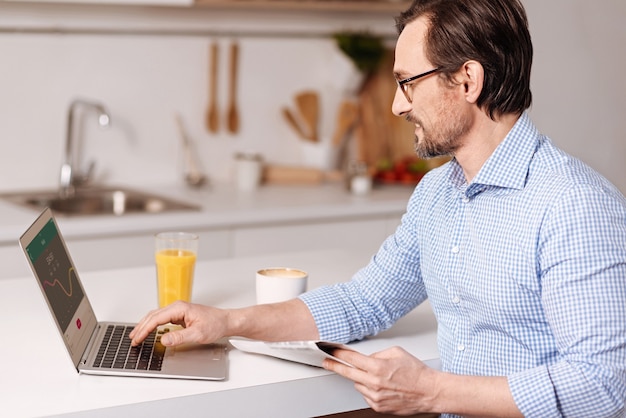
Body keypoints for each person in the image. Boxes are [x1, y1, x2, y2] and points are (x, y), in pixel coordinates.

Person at [130, 0, 626, 416]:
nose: (396, 105)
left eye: (408, 82)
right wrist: (228, 322)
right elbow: (363, 302)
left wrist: (430, 390)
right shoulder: (438, 195)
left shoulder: (574, 205)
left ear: (468, 80)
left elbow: (605, 385)